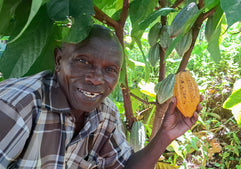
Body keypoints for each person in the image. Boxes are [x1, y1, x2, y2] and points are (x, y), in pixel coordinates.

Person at [0, 25, 201, 169]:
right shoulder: (17, 107)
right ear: (58, 60)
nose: (96, 79)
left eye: (110, 69)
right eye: (83, 61)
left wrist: (165, 135)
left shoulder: (106, 113)